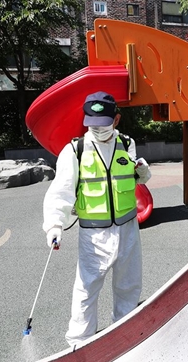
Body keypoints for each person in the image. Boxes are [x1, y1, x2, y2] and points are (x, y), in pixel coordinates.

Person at [42, 91, 151, 347]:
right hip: (93, 233)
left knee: (128, 286)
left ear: (116, 119)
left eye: (103, 124)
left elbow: (133, 178)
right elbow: (61, 190)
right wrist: (54, 225)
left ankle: (124, 336)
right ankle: (79, 343)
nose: (97, 129)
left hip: (128, 229)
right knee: (86, 290)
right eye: (92, 124)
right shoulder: (75, 150)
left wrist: (143, 172)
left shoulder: (127, 143)